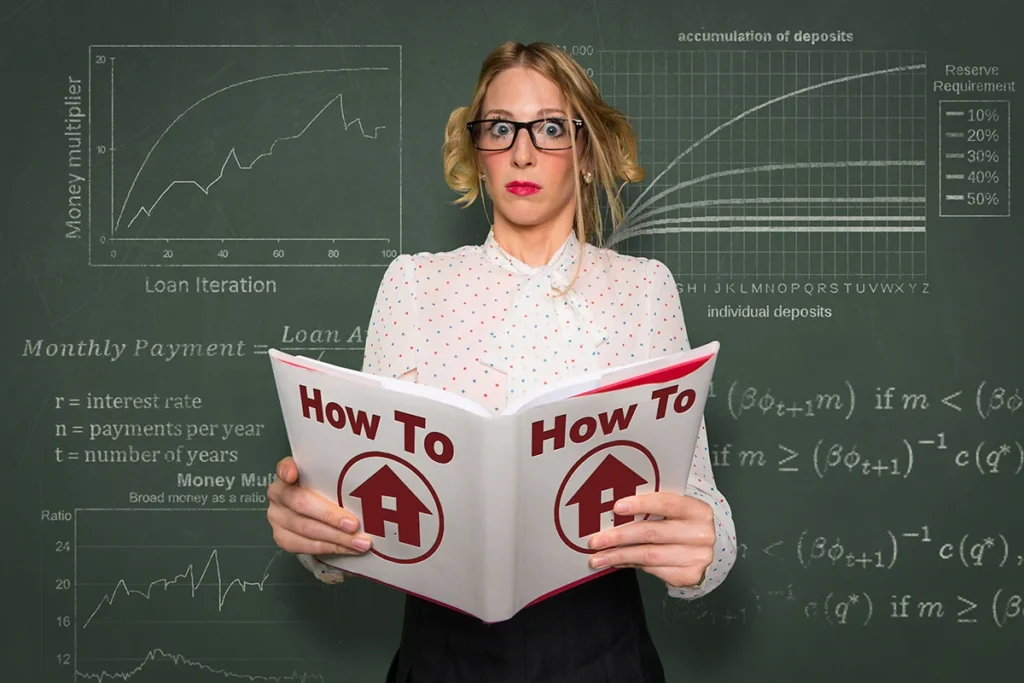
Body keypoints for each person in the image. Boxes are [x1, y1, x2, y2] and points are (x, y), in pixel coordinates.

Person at [267, 40, 737, 682]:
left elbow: (702, 500)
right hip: (443, 654)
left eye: (549, 128)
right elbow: (360, 498)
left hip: (601, 650)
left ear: (588, 153)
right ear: (478, 153)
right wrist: (317, 535)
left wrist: (704, 550)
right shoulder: (413, 284)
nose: (522, 152)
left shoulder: (644, 288)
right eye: (500, 129)